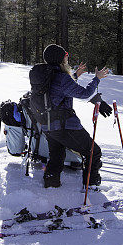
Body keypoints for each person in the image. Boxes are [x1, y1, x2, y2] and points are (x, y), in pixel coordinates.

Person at [38, 43, 110, 189]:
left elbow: (60, 91)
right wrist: (96, 79)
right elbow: (84, 93)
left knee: (56, 155)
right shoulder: (62, 78)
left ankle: (51, 184)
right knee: (93, 152)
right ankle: (92, 186)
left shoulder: (45, 75)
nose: (67, 60)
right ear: (60, 60)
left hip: (48, 126)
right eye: (65, 58)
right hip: (65, 126)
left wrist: (76, 75)